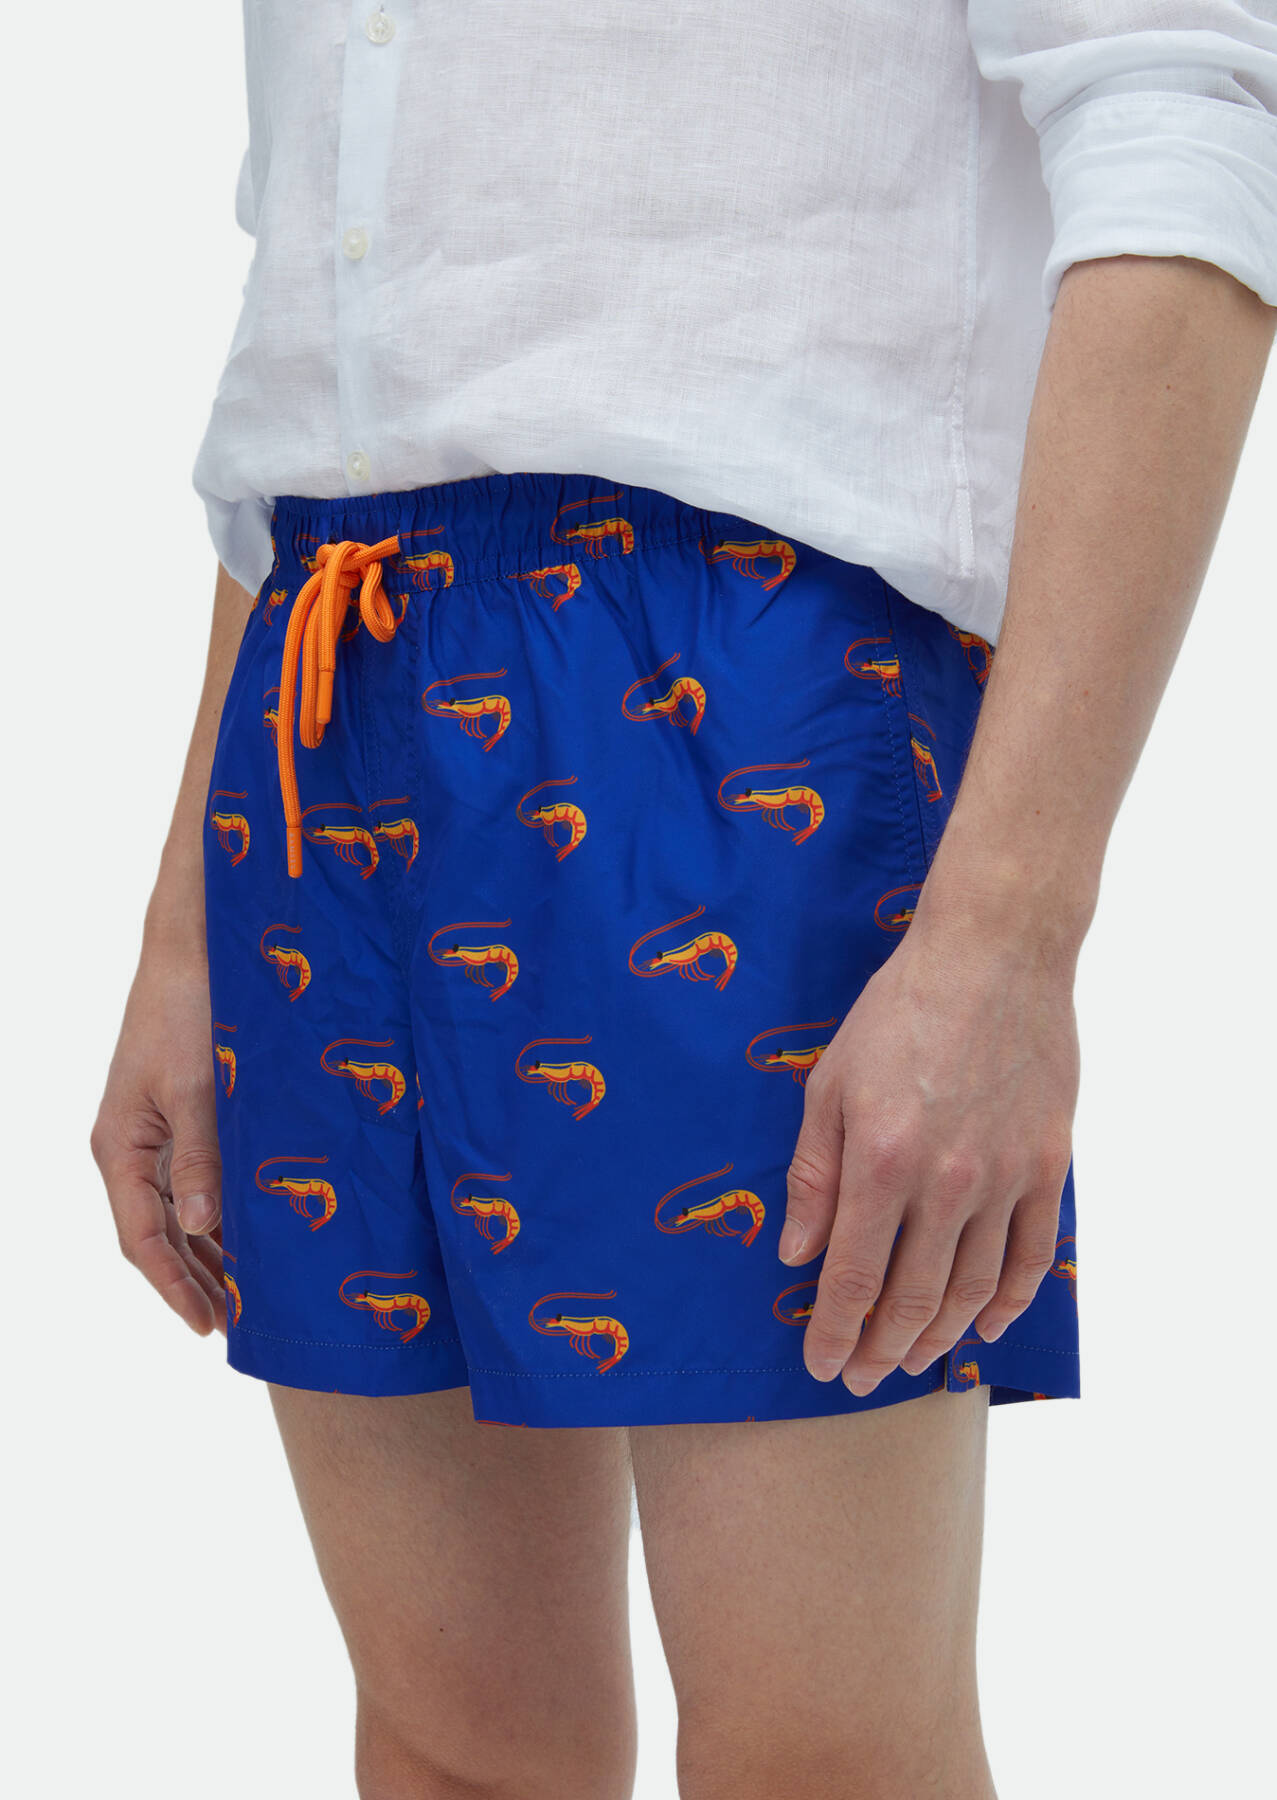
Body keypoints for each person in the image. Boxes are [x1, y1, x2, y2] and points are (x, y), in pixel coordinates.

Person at [91, 6, 1277, 1797]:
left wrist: (1006, 936)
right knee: (455, 1745)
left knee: (826, 1761)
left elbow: (1183, 115)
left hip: (732, 680)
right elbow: (325, 297)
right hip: (324, 680)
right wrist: (184, 918)